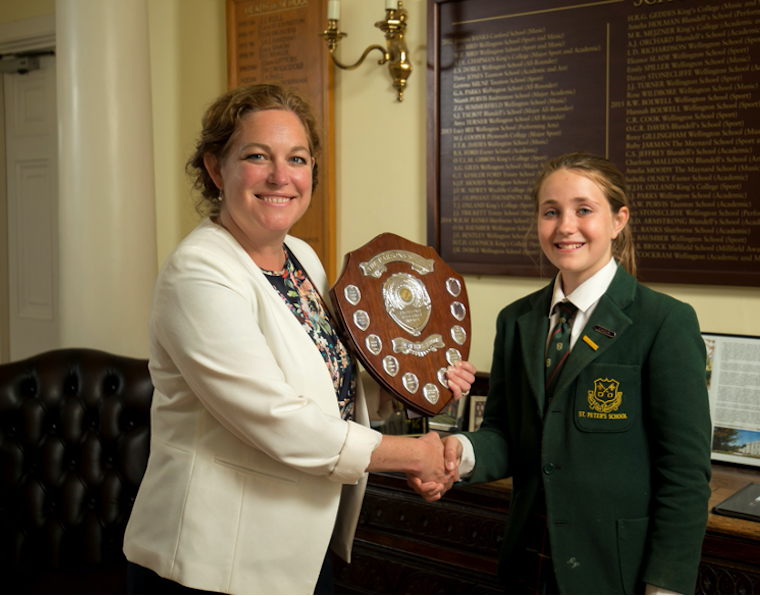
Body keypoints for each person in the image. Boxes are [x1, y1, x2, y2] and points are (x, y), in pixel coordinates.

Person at [122, 84, 474, 594]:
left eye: (297, 158)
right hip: (210, 562)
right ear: (216, 169)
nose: (280, 176)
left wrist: (418, 381)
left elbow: (327, 387)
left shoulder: (302, 258)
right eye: (257, 156)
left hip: (299, 550)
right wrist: (410, 454)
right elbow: (277, 418)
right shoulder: (197, 274)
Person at [414, 153, 712, 594]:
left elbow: (685, 475)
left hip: (614, 572)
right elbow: (506, 436)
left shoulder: (664, 321)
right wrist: (460, 451)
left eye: (584, 210)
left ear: (618, 221)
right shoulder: (516, 320)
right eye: (551, 212)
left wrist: (665, 587)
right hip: (528, 560)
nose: (565, 226)